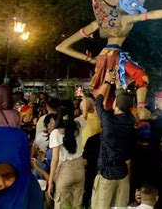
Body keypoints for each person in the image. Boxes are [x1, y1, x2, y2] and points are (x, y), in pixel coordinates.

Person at [91, 70, 136, 209]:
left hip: (107, 173)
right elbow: (123, 102)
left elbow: (98, 101)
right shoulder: (130, 120)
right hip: (122, 173)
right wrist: (117, 82)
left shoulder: (108, 121)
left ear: (115, 103)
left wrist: (106, 81)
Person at [47, 107, 87, 209]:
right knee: (77, 205)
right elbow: (85, 114)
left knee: (62, 205)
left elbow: (55, 159)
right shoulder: (78, 125)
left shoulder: (56, 133)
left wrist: (50, 181)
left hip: (65, 171)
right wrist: (83, 97)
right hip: (80, 169)